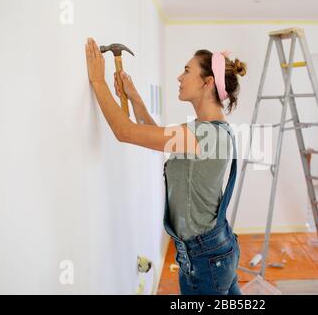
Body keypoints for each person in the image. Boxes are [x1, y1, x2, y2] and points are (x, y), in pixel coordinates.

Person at [85, 38, 247, 294]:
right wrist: (135, 98)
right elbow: (152, 135)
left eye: (186, 70)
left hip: (204, 262)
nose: (179, 77)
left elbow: (125, 131)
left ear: (207, 83)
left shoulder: (203, 134)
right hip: (217, 252)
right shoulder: (209, 131)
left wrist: (97, 81)